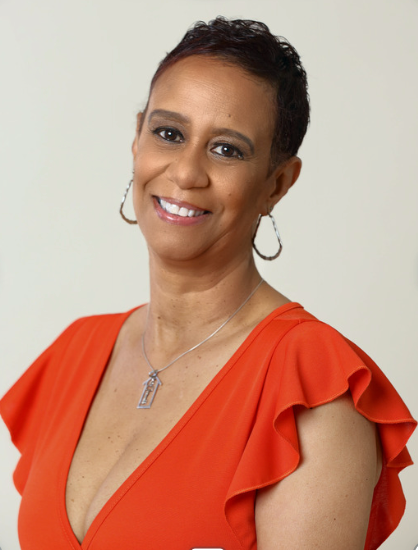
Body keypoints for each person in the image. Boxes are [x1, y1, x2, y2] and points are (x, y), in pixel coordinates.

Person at [0, 16, 415, 550]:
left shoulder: (310, 390)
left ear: (277, 183)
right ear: (136, 139)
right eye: (168, 133)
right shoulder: (74, 354)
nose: (187, 171)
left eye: (227, 149)